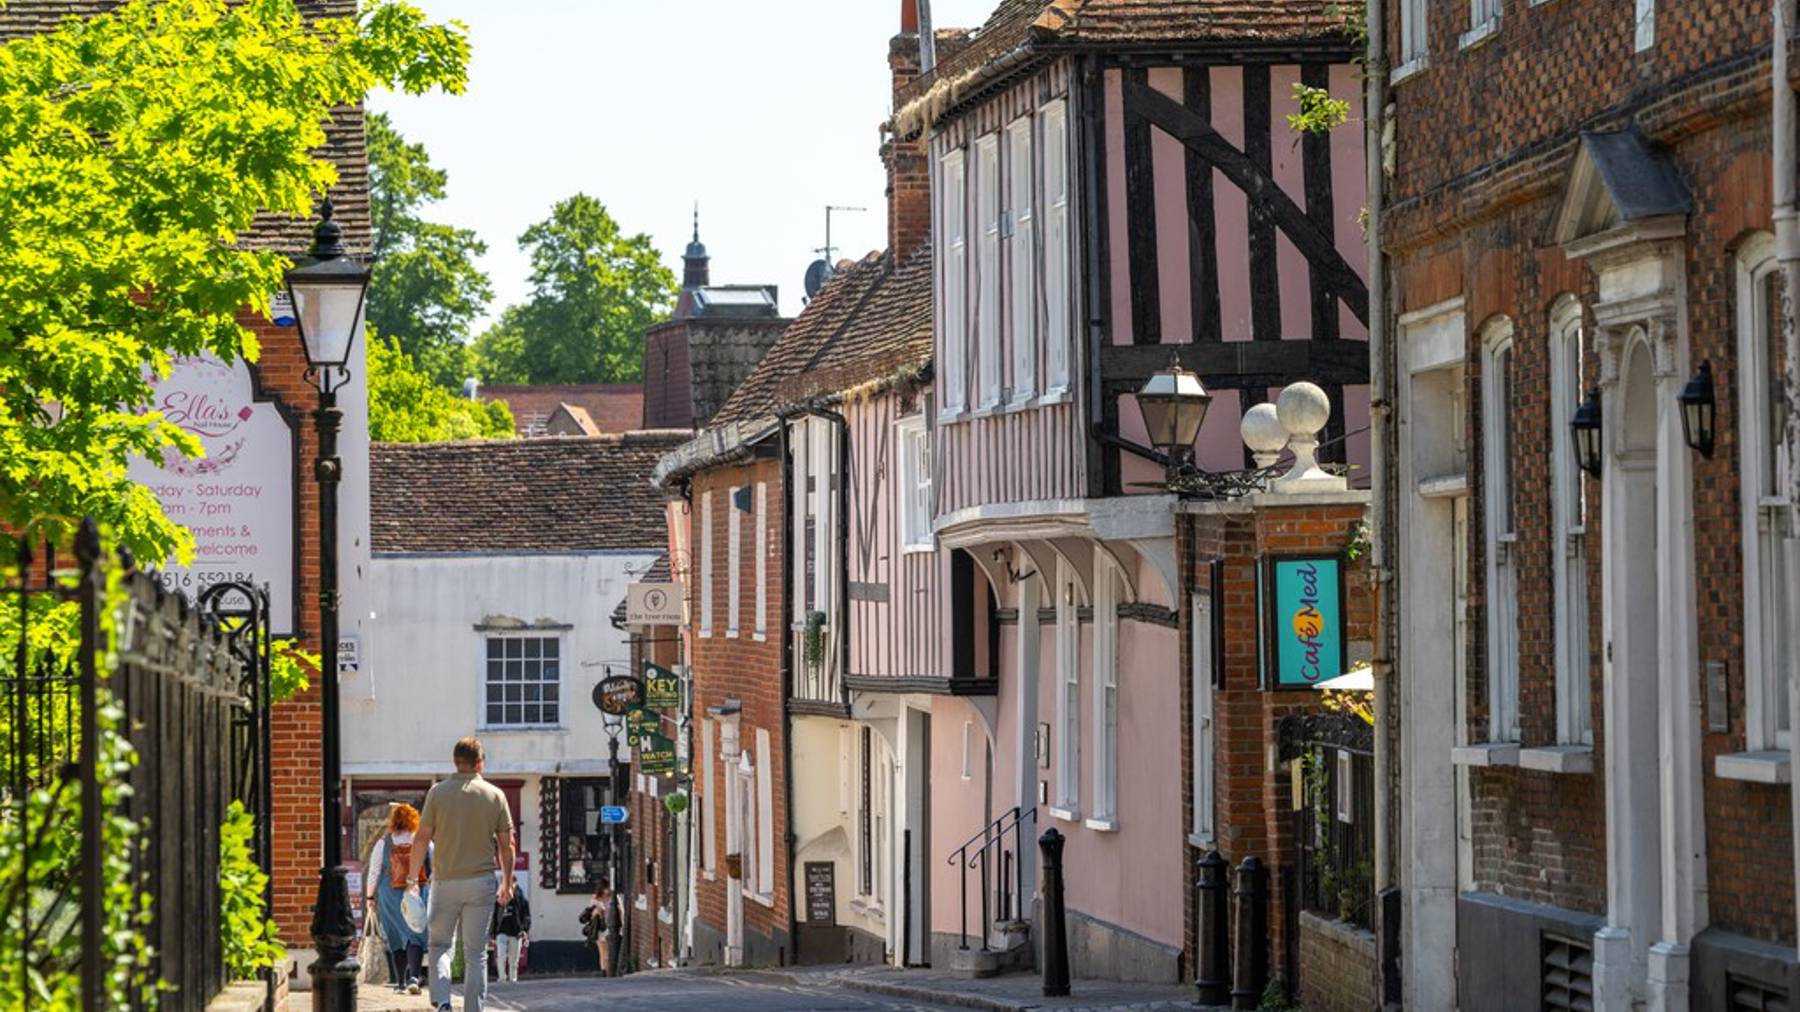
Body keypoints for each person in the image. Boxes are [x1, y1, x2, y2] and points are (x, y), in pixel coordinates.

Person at [405, 737, 515, 1012]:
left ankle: (443, 1002)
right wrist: (507, 882)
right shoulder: (494, 795)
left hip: (445, 881)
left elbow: (421, 839)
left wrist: (411, 880)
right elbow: (507, 844)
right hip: (481, 882)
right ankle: (472, 1009)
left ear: (455, 761)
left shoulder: (437, 793)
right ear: (480, 762)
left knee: (441, 944)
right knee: (476, 953)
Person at [363, 803, 430, 994]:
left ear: (394, 821)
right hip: (416, 890)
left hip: (389, 892)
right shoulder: (422, 840)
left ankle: (400, 983)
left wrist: (370, 896)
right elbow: (432, 866)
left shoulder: (383, 843)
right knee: (414, 933)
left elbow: (374, 872)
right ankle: (414, 978)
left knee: (395, 937)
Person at [488, 886, 530, 983]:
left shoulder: (521, 899)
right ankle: (502, 978)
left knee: (514, 959)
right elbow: (494, 917)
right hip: (501, 932)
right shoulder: (498, 901)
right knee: (501, 956)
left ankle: (513, 979)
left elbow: (526, 916)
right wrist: (492, 934)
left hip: (516, 933)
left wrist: (524, 929)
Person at [579, 881, 619, 976]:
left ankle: (611, 970)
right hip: (600, 928)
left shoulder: (614, 898)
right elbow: (591, 914)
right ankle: (604, 971)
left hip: (611, 927)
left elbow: (620, 911)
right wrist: (598, 912)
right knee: (603, 952)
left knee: (610, 951)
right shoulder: (595, 899)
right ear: (602, 888)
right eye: (607, 888)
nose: (609, 890)